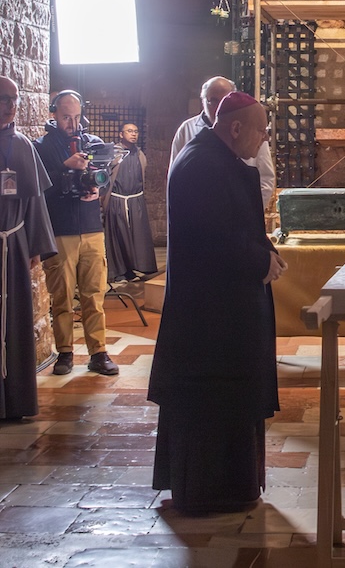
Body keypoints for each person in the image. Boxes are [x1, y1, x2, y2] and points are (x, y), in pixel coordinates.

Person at [149, 92, 288, 514]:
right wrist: (260, 261)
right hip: (208, 322)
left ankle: (232, 486)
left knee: (230, 399)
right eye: (262, 131)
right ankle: (211, 491)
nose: (264, 139)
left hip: (220, 313)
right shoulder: (202, 165)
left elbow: (237, 224)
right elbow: (214, 238)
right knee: (212, 404)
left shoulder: (217, 158)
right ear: (236, 128)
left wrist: (265, 252)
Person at [34, 91, 118, 376]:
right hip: (61, 230)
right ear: (54, 114)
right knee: (62, 297)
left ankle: (99, 352)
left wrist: (98, 188)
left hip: (92, 228)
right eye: (66, 117)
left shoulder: (93, 143)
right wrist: (64, 168)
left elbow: (103, 177)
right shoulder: (41, 147)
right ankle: (65, 353)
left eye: (77, 116)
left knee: (95, 294)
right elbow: (39, 189)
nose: (72, 123)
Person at [0, 76, 57, 419]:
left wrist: (35, 245)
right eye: (4, 98)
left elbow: (36, 201)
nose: (11, 105)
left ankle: (16, 402)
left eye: (14, 98)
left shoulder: (23, 145)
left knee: (15, 322)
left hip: (14, 244)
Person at [170, 76, 275, 209]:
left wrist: (252, 211)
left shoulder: (250, 128)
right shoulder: (190, 139)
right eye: (214, 101)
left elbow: (265, 178)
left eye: (225, 100)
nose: (220, 106)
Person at [104, 123, 157, 282]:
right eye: (129, 131)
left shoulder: (140, 155)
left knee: (138, 236)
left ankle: (138, 267)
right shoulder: (113, 153)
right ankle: (120, 272)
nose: (133, 134)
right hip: (117, 200)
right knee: (119, 237)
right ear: (121, 134)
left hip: (135, 200)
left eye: (136, 131)